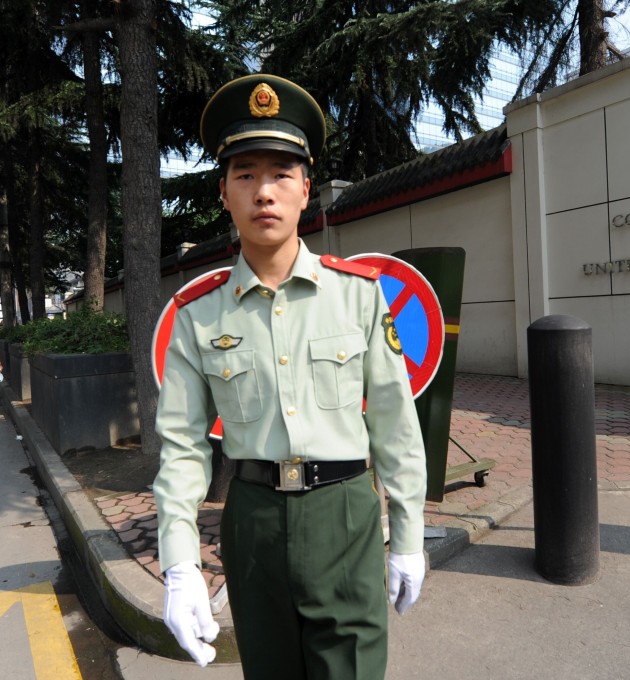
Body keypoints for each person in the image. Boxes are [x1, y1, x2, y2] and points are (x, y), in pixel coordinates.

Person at [153, 74, 428, 679]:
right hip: (251, 523)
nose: (264, 193)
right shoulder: (198, 316)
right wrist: (178, 562)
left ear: (307, 189)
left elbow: (393, 423)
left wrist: (408, 531)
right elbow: (182, 449)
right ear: (224, 192)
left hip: (346, 516)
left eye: (281, 173)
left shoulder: (358, 297)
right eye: (246, 174)